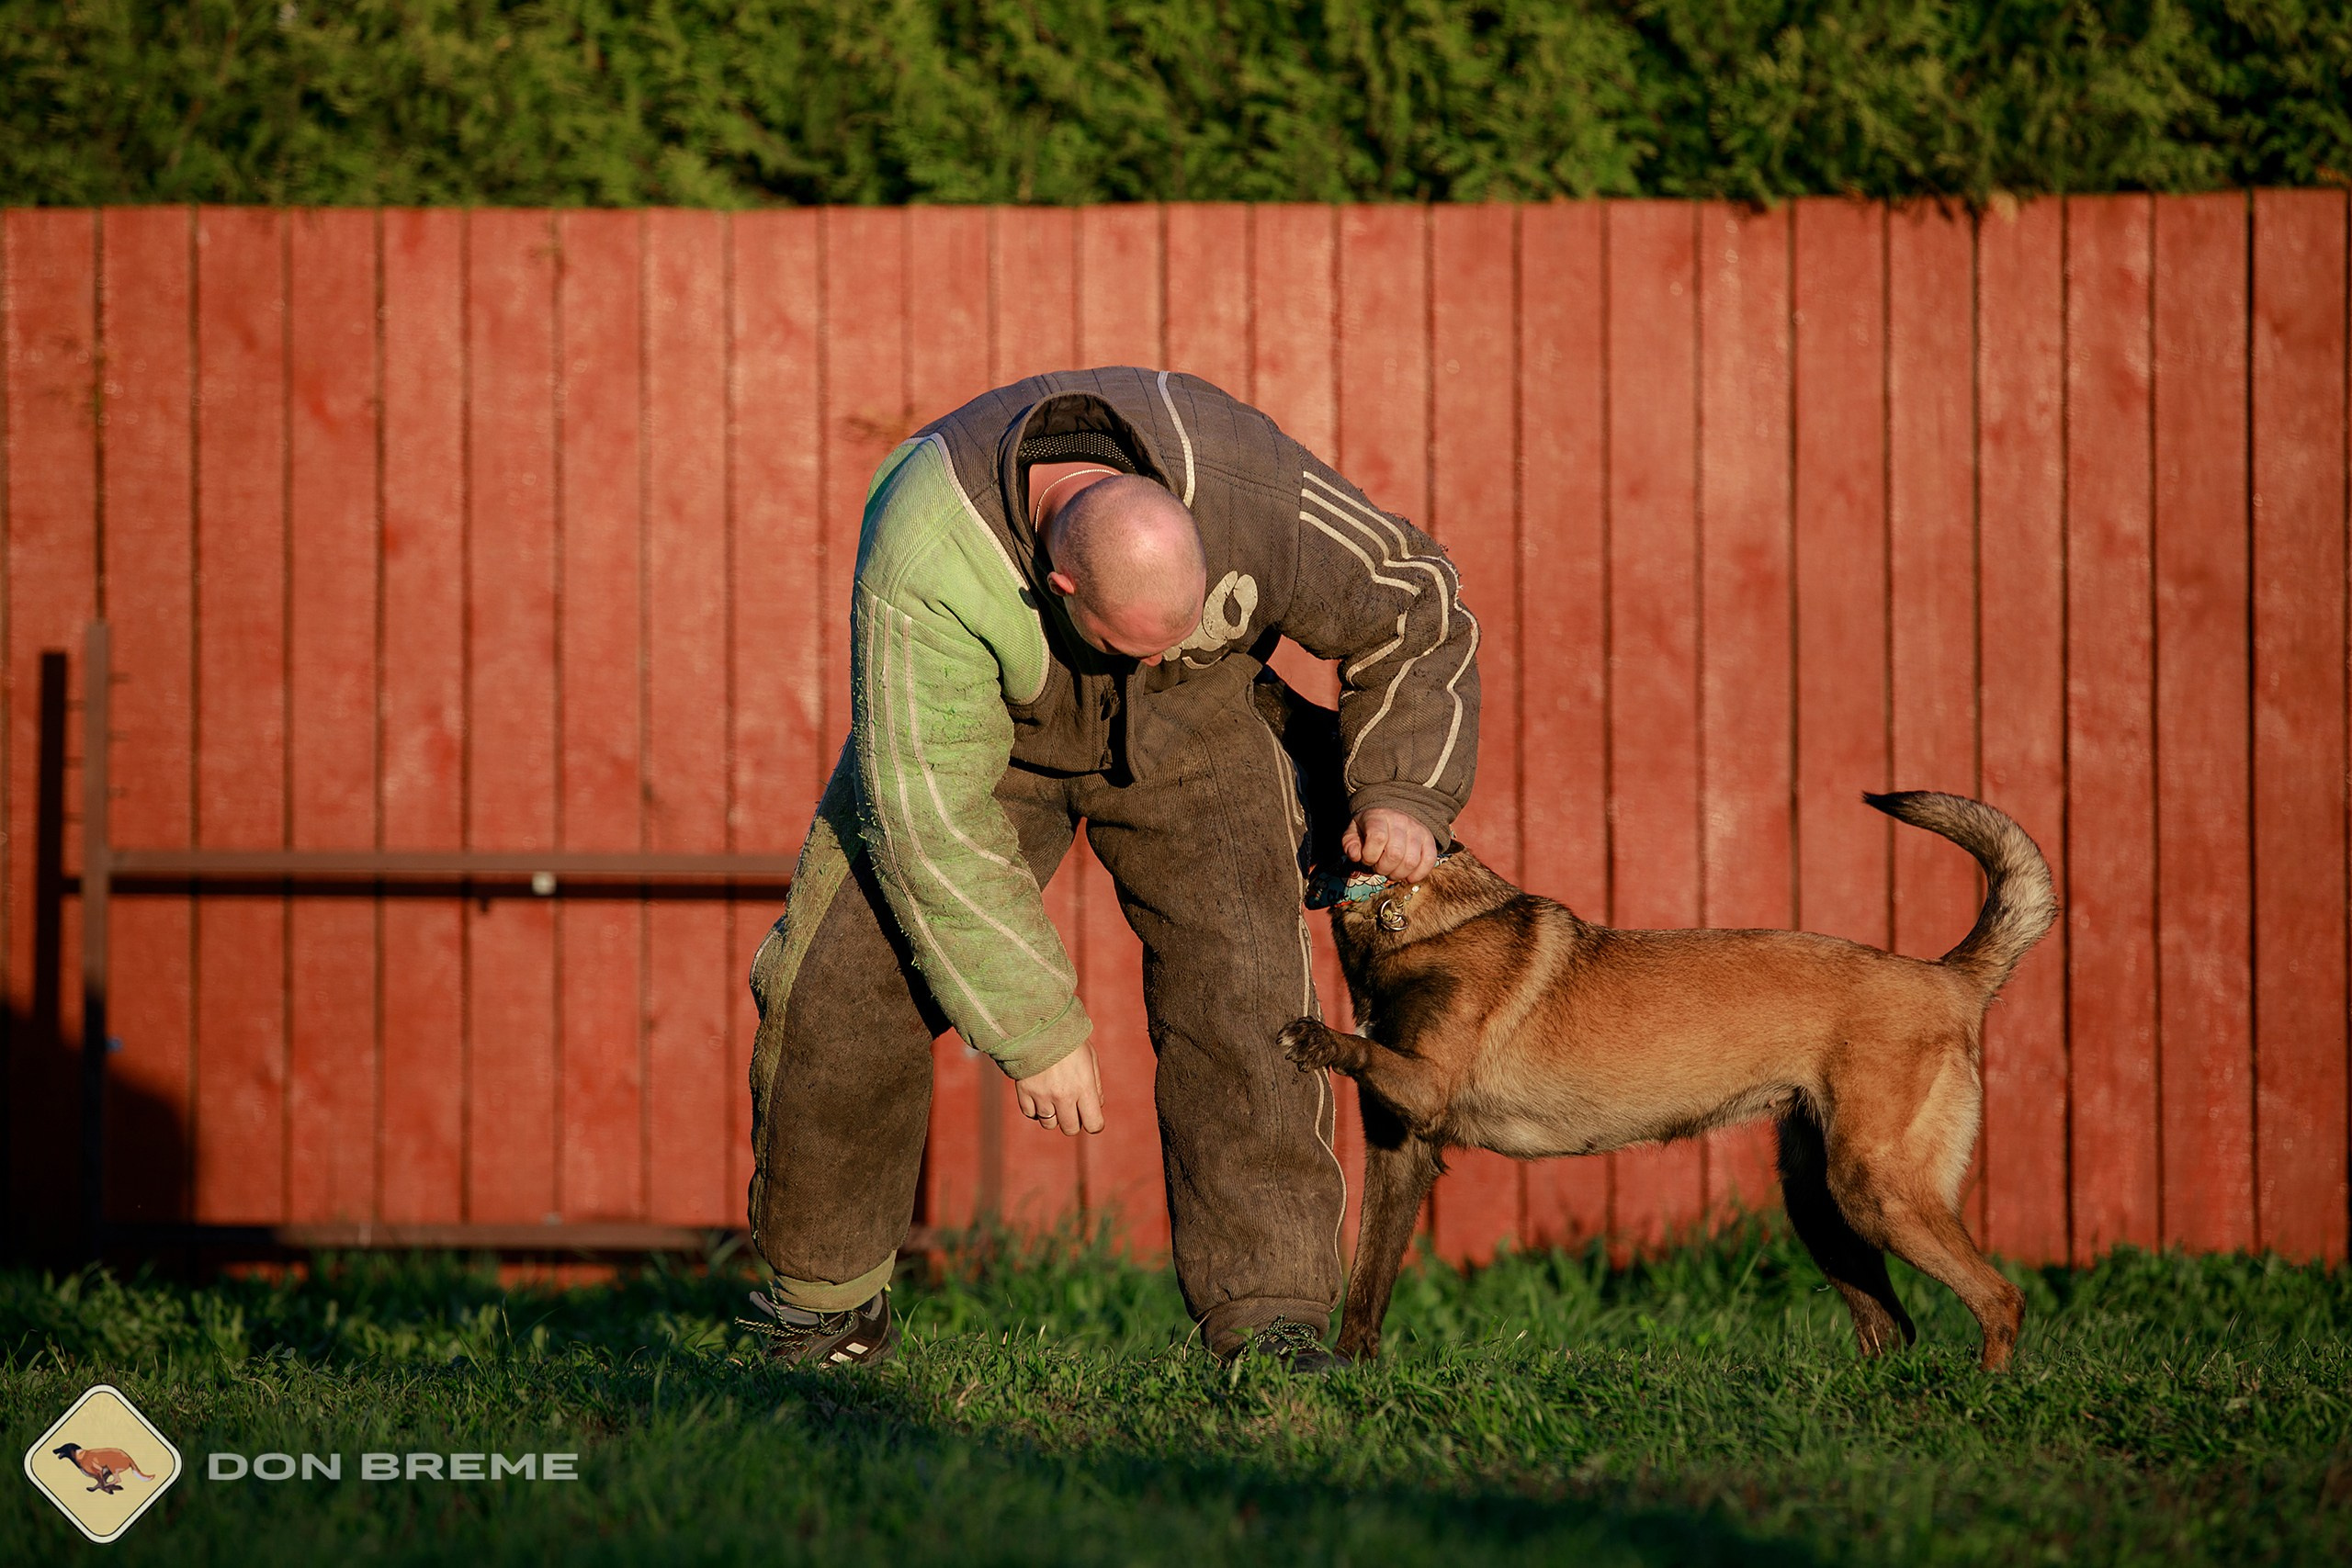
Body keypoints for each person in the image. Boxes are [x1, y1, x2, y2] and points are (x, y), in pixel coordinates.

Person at [741, 367, 1478, 1371]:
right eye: (1131, 642)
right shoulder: (930, 545)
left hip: (1202, 716)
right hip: (989, 736)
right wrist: (1035, 1024)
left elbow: (1415, 598)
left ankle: (1271, 1324)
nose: (1147, 657)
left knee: (1248, 993)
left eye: (1173, 629)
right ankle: (823, 1318)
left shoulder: (1242, 480)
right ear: (1062, 586)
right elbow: (929, 825)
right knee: (842, 982)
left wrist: (1402, 791)